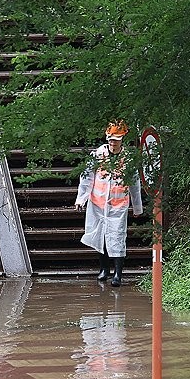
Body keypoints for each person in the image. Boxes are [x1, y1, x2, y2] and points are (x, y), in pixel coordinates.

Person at [74, 121, 144, 286]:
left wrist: (137, 206)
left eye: (117, 139)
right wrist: (81, 199)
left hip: (118, 205)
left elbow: (135, 183)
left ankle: (118, 274)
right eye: (111, 139)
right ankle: (104, 269)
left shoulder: (128, 158)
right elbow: (86, 178)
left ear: (122, 139)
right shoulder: (98, 155)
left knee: (118, 237)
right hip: (98, 204)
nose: (113, 142)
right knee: (101, 237)